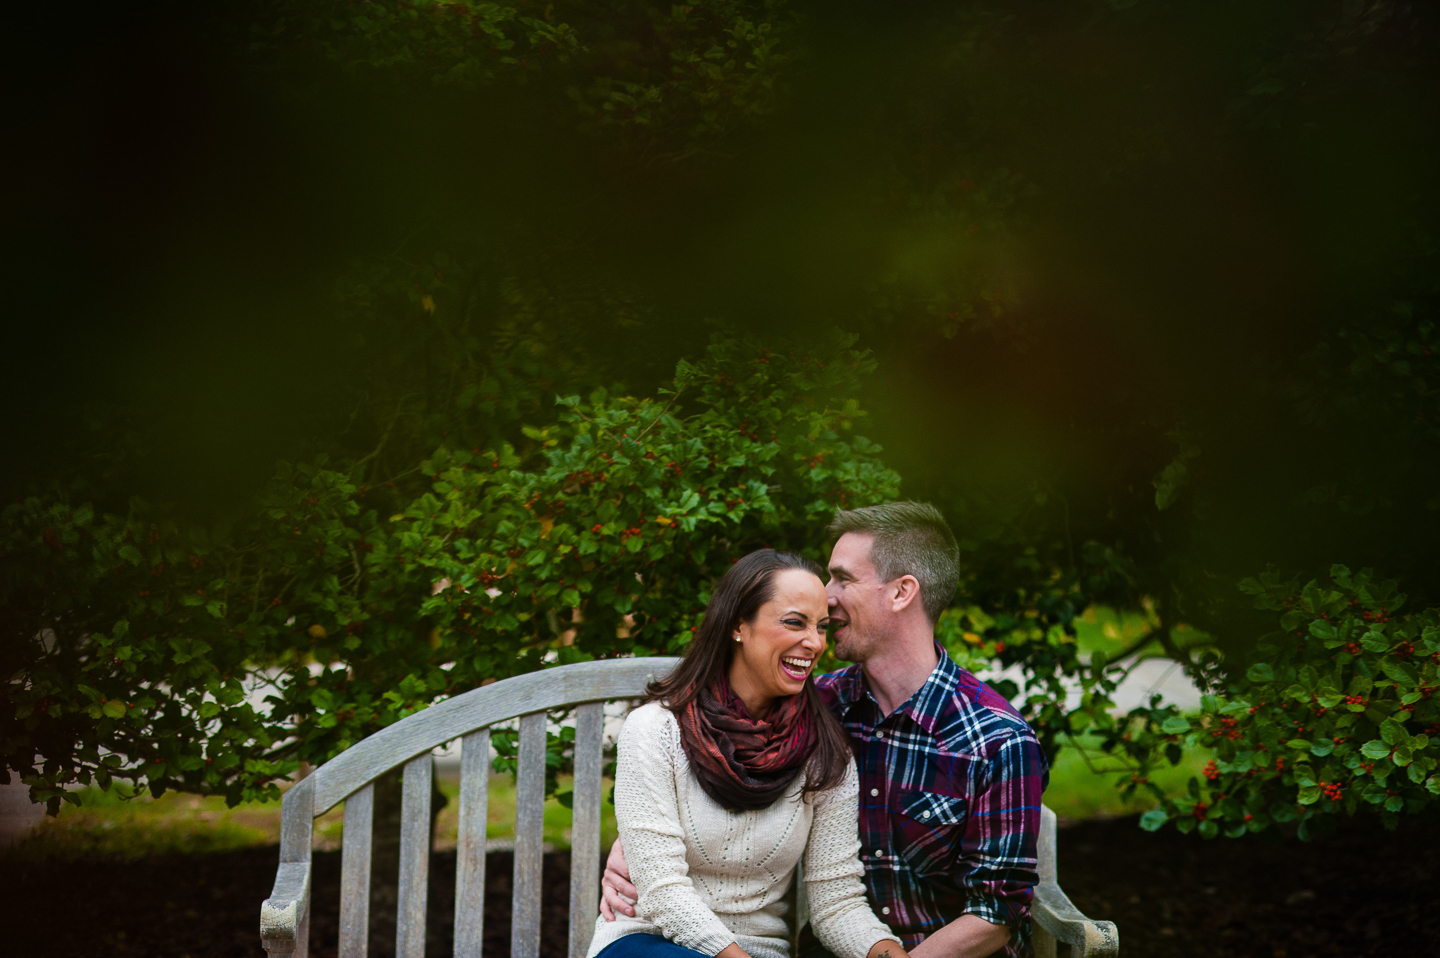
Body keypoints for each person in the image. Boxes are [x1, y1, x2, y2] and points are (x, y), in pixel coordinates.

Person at [602, 503, 1048, 958]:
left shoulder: (991, 740)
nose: (827, 598)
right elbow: (689, 786)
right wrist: (639, 843)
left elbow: (995, 910)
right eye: (798, 620)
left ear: (901, 593)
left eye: (843, 579)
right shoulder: (822, 706)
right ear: (739, 626)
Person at [586, 548, 910, 958]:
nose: (813, 642)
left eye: (822, 627)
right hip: (651, 943)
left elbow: (837, 902)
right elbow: (661, 889)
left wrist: (891, 954)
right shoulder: (657, 730)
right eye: (794, 623)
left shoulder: (824, 755)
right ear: (739, 625)